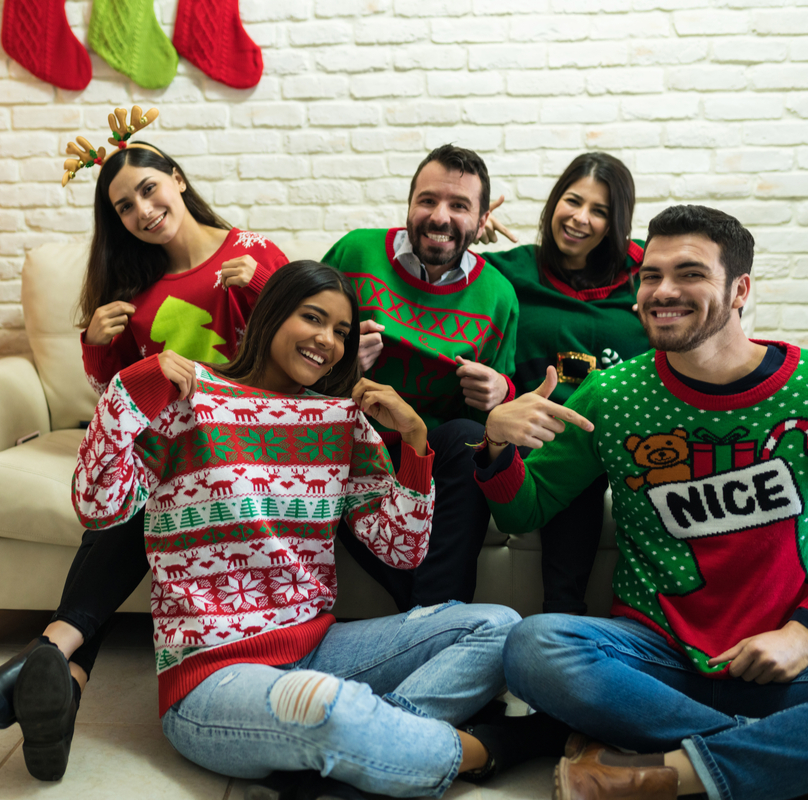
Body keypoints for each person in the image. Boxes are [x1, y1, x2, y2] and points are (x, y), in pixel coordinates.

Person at [48, 261, 563, 797]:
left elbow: (402, 550)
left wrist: (415, 442)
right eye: (313, 318)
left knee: (498, 626)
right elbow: (97, 506)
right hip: (212, 675)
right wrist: (131, 387)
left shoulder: (341, 421)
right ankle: (493, 747)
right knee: (325, 707)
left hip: (319, 649)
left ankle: (357, 761)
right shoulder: (188, 401)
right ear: (271, 314)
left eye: (341, 331)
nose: (328, 341)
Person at [475, 204, 808, 799]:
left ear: (740, 290)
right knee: (534, 647)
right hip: (653, 662)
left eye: (690, 274)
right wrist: (496, 444)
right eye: (650, 275)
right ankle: (800, 767)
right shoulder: (612, 394)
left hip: (790, 659)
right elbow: (524, 511)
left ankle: (677, 770)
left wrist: (803, 634)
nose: (663, 291)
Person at [0, 130, 289, 780]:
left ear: (178, 180)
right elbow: (122, 401)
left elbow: (306, 351)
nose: (142, 211)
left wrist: (266, 286)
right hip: (173, 453)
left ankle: (43, 660)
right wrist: (99, 346)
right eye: (124, 207)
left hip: (247, 446)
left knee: (140, 499)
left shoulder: (251, 252)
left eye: (149, 190)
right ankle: (58, 679)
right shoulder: (134, 288)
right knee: (131, 499)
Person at [321, 144, 519, 610]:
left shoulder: (499, 295)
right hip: (350, 438)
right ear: (409, 204)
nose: (439, 216)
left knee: (469, 439)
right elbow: (293, 340)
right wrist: (340, 359)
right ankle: (435, 618)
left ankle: (429, 615)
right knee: (334, 451)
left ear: (482, 221)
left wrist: (499, 392)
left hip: (430, 451)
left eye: (459, 205)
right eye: (427, 200)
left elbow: (500, 414)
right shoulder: (355, 252)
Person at [481, 152, 649, 615]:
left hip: (614, 432)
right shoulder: (509, 271)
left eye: (600, 210)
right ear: (554, 202)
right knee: (566, 449)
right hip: (535, 428)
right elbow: (438, 281)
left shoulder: (645, 279)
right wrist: (464, 233)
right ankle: (560, 616)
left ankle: (572, 616)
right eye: (573, 201)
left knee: (585, 447)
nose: (580, 218)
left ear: (617, 224)